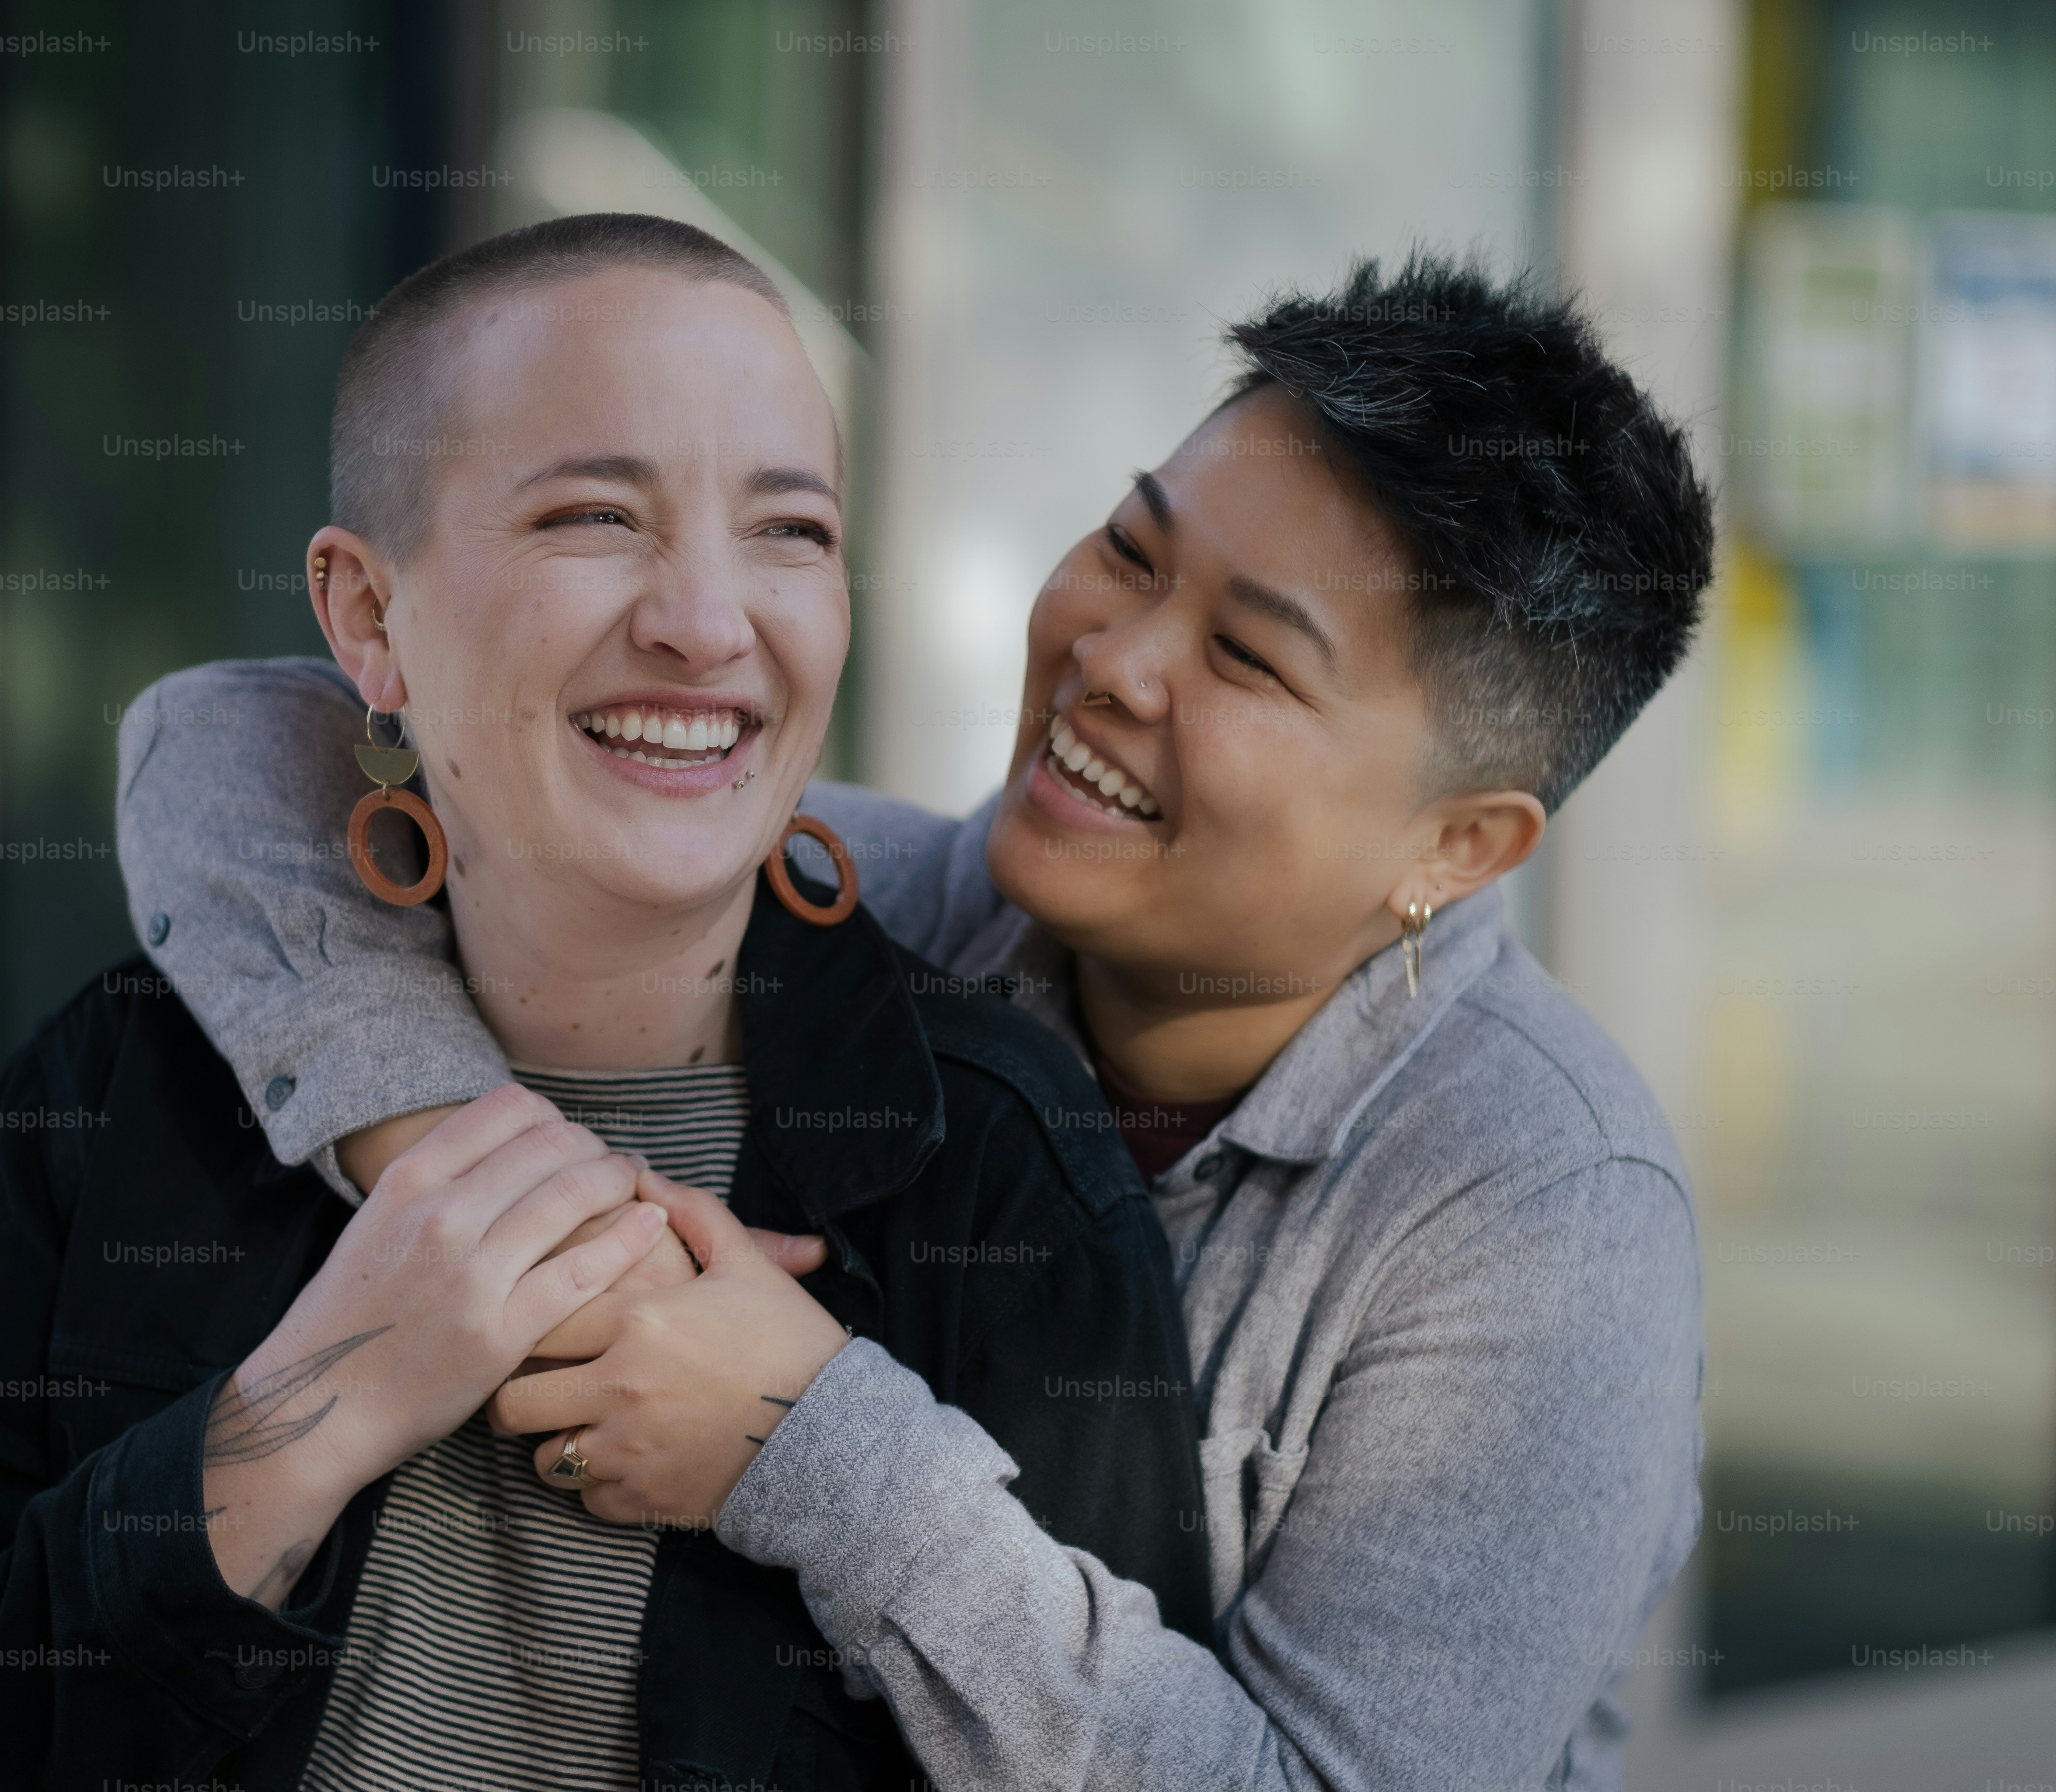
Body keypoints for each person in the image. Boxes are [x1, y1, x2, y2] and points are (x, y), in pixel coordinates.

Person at [119, 250, 1717, 1789]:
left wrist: (808, 1448)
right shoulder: (859, 910)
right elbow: (228, 742)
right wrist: (466, 1178)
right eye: (1132, 550)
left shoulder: (1546, 1230)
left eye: (1242, 656)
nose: (1113, 658)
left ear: (1456, 846)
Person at [0, 214, 1211, 1792]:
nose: (708, 623)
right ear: (370, 618)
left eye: (788, 531)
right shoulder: (128, 1087)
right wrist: (296, 1421)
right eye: (595, 515)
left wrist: (820, 1454)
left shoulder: (995, 1166)